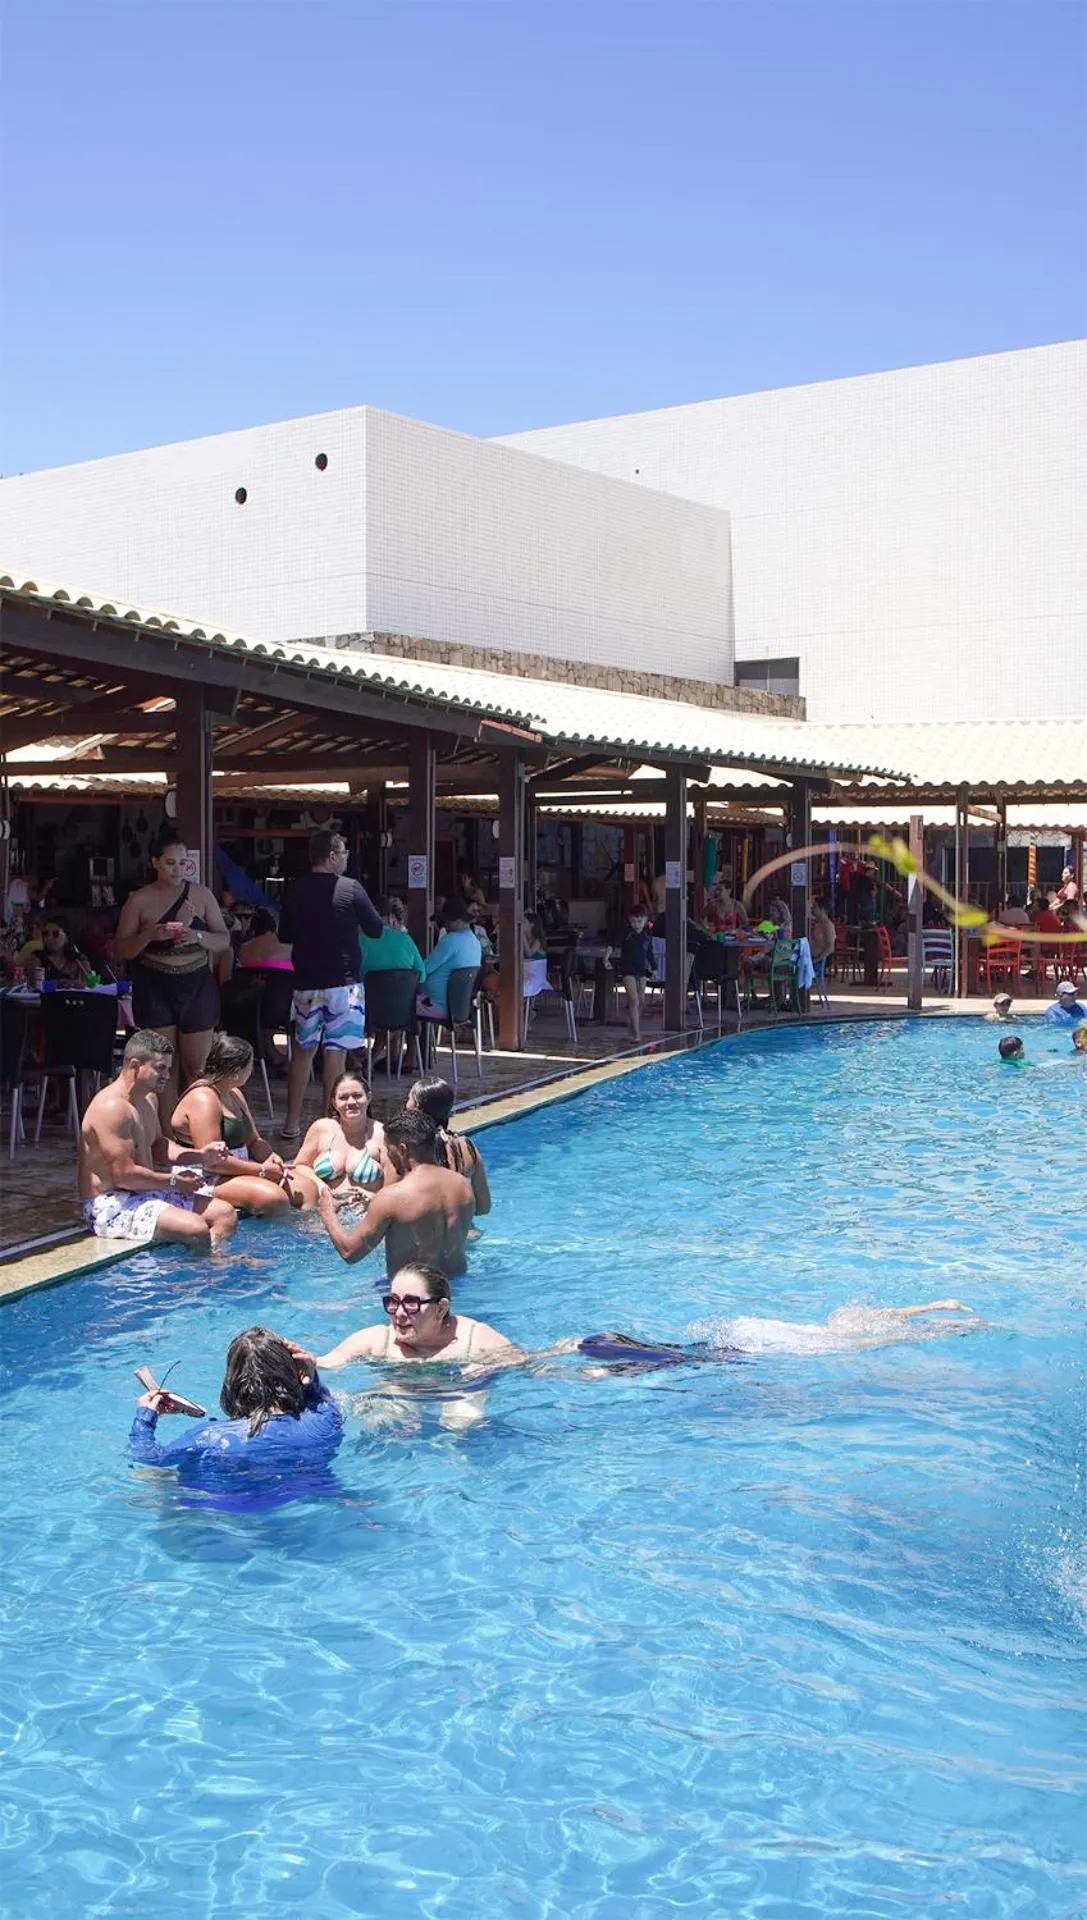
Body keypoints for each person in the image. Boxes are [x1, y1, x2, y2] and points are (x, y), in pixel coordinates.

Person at [129, 1326, 343, 1495]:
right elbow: (321, 1399)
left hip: (223, 1504)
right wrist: (311, 1375)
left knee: (147, 1475)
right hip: (299, 1492)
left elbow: (149, 1456)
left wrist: (146, 1416)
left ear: (232, 1383)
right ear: (293, 1374)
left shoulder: (207, 1437)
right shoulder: (324, 1419)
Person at [78, 1029, 237, 1248]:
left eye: (169, 1068)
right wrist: (174, 1181)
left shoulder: (147, 1099)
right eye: (160, 1068)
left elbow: (159, 1146)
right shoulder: (112, 1108)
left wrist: (200, 1155)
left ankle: (210, 1270)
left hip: (145, 1192)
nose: (168, 1076)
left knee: (225, 1214)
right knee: (196, 1228)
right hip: (111, 1204)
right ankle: (200, 1277)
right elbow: (123, 1176)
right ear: (135, 1066)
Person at [276, 829, 383, 1140]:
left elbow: (285, 934)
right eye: (345, 852)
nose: (347, 857)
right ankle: (329, 1127)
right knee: (335, 1054)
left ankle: (291, 1123)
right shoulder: (351, 889)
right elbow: (375, 929)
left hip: (306, 983)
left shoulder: (295, 890)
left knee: (302, 1052)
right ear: (333, 855)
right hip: (344, 983)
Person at [113, 832, 230, 1107]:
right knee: (162, 1068)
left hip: (196, 983)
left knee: (197, 1068)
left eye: (181, 863)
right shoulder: (140, 900)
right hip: (156, 984)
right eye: (170, 863)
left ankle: (196, 1129)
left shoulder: (201, 895)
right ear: (155, 862)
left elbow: (223, 939)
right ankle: (166, 1136)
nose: (177, 869)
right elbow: (120, 949)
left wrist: (198, 937)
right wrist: (149, 936)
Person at [577, 1299, 977, 1368]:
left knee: (678, 1351)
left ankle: (599, 1347)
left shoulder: (836, 1326)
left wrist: (938, 1307)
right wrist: (941, 1323)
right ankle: (599, 1363)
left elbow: (893, 1319)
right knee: (679, 1359)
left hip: (750, 1332)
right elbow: (895, 1333)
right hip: (748, 1346)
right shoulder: (841, 1342)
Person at [171, 1034, 320, 1217]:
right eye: (250, 1067)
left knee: (307, 1188)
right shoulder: (203, 1098)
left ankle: (300, 1238)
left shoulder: (234, 1094)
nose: (251, 1072)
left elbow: (254, 1141)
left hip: (240, 1169)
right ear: (237, 1071)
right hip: (206, 1176)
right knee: (274, 1199)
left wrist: (272, 1158)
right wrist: (263, 1171)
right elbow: (213, 1163)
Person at [315, 1107, 474, 1277]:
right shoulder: (462, 1185)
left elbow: (350, 1252)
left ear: (403, 1150)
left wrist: (328, 1213)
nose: (387, 1157)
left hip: (412, 1294)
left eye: (388, 1150)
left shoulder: (392, 1197)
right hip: (458, 1283)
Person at [296, 1263, 519, 1374]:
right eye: (393, 1301)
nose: (399, 1313)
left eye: (411, 1303)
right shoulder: (378, 1341)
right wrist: (309, 1363)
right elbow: (327, 1362)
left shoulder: (475, 1340)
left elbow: (525, 1366)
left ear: (441, 1309)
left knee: (461, 1418)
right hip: (400, 1394)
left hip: (458, 1392)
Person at [406, 1074, 491, 1215]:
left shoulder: (408, 1149)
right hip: (464, 1233)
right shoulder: (466, 1146)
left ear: (417, 1108)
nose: (405, 1104)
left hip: (424, 1234)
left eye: (409, 1099)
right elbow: (483, 1207)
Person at [294, 1070, 387, 1199]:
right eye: (343, 1097)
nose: (351, 1102)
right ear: (334, 1102)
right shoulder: (321, 1128)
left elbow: (396, 1183)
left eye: (357, 1096)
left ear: (369, 1097)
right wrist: (322, 1187)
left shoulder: (382, 1134)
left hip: (364, 1213)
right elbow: (300, 1166)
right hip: (324, 1210)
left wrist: (372, 1197)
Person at [416, 903, 482, 1023]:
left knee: (399, 1004)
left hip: (434, 1005)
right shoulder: (475, 942)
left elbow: (423, 970)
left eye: (447, 921)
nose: (444, 926)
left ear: (459, 920)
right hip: (458, 1008)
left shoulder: (450, 940)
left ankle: (401, 1041)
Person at [610, 906, 656, 1043]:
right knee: (634, 1000)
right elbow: (612, 944)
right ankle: (637, 1033)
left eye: (639, 921)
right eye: (634, 922)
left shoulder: (647, 936)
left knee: (641, 1001)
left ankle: (632, 1023)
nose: (637, 925)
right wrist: (606, 958)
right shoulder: (626, 933)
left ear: (645, 921)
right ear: (630, 921)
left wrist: (654, 968)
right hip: (627, 969)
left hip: (641, 970)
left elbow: (649, 953)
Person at [358, 894, 426, 984]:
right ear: (390, 917)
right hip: (403, 997)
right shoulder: (406, 939)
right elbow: (422, 977)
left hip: (368, 997)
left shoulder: (359, 940)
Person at [237, 907, 294, 973]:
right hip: (280, 979)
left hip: (250, 979)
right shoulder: (289, 950)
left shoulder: (243, 949)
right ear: (274, 928)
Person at [808, 898, 835, 966]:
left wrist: (815, 960)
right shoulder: (818, 923)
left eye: (814, 906)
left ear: (822, 909)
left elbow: (830, 948)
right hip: (811, 956)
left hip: (819, 960)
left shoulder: (827, 925)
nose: (812, 909)